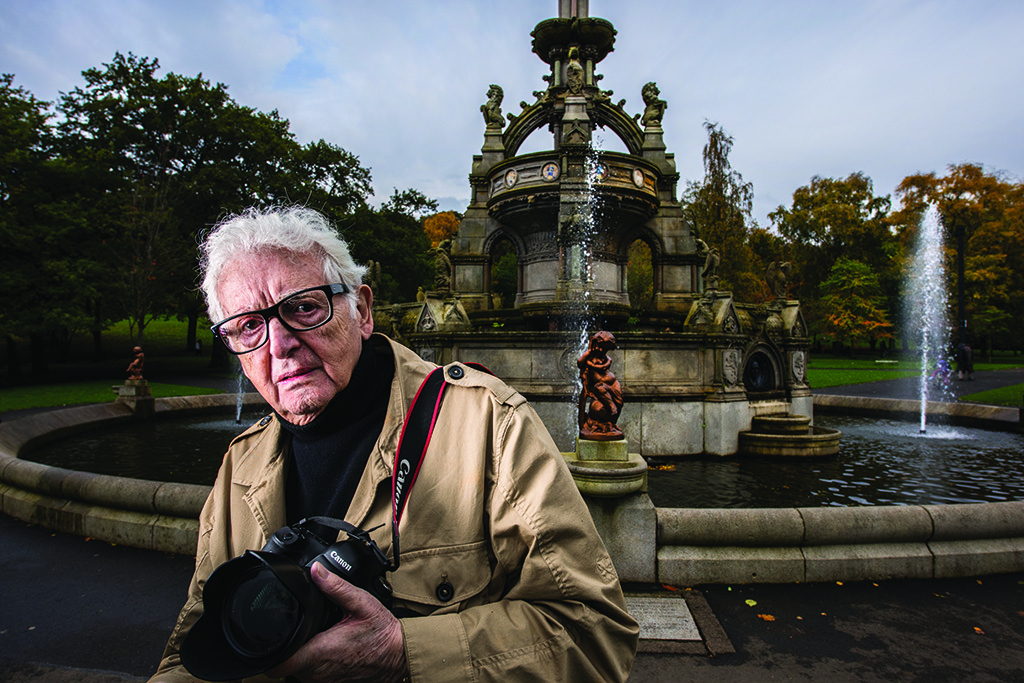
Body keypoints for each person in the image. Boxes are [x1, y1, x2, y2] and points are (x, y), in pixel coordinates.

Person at [149, 206, 638, 683]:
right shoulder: (240, 463)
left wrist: (404, 654)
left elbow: (595, 635)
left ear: (360, 310)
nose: (279, 345)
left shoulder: (487, 422)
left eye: (303, 307)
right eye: (249, 325)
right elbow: (192, 649)